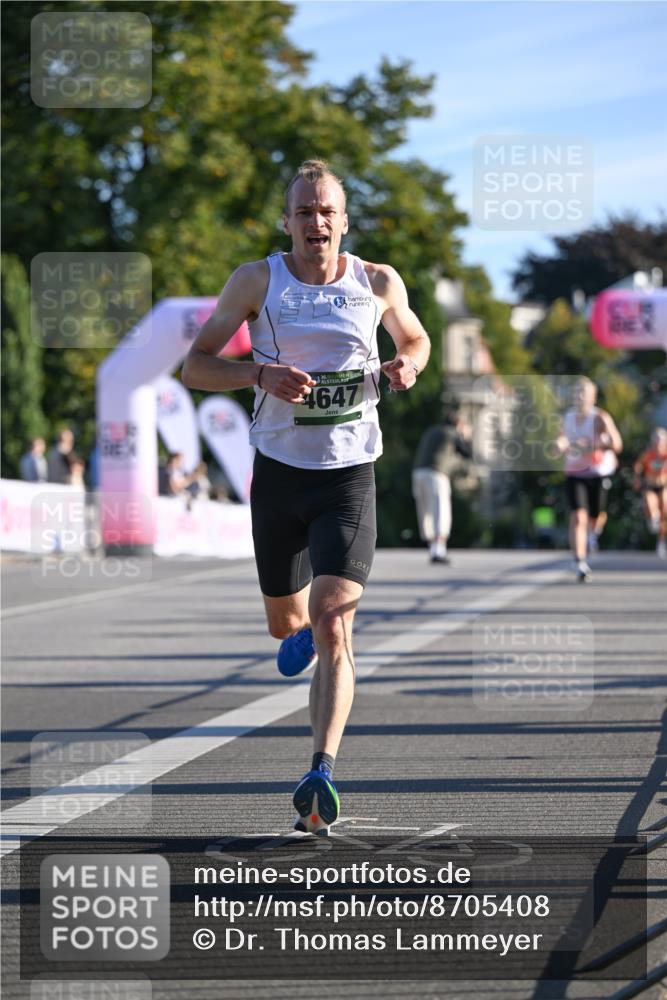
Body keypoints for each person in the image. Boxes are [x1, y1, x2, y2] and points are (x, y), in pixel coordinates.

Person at [182, 159, 430, 834]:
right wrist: (258, 375)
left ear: (344, 222)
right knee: (287, 624)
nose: (315, 222)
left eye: (326, 212)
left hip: (348, 475)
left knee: (334, 620)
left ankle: (320, 771)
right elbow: (196, 365)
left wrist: (408, 364)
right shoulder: (257, 281)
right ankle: (295, 636)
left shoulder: (376, 281)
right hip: (279, 474)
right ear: (287, 221)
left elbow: (414, 337)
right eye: (304, 211)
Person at [555, 377, 623, 582]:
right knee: (578, 517)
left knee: (596, 515)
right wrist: (559, 445)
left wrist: (599, 444)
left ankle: (593, 534)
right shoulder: (567, 417)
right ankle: (580, 562)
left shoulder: (600, 417)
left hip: (597, 472)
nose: (579, 396)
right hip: (575, 473)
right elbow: (562, 438)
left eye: (583, 393)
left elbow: (617, 444)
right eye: (576, 392)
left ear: (593, 397)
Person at [412, 408, 471, 564]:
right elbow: (467, 453)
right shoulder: (452, 433)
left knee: (425, 512)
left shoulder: (431, 431)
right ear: (458, 424)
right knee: (440, 511)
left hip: (418, 473)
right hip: (436, 474)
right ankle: (439, 551)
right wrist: (466, 437)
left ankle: (433, 550)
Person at [633, 427, 667, 559]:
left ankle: (661, 540)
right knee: (650, 501)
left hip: (663, 485)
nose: (658, 443)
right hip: (650, 485)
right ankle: (653, 518)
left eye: (661, 440)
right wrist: (637, 479)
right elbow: (638, 467)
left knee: (664, 507)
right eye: (656, 440)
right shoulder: (647, 454)